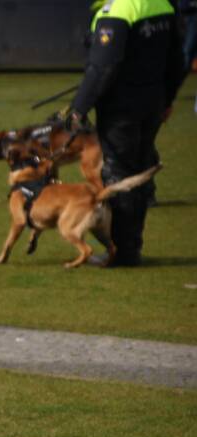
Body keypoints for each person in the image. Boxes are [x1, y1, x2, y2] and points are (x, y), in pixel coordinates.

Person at [66, 0, 186, 266]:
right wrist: (167, 99)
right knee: (139, 169)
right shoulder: (163, 4)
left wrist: (79, 108)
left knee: (119, 173)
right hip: (152, 102)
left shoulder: (119, 10)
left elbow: (103, 66)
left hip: (121, 108)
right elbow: (177, 60)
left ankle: (123, 251)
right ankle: (132, 245)